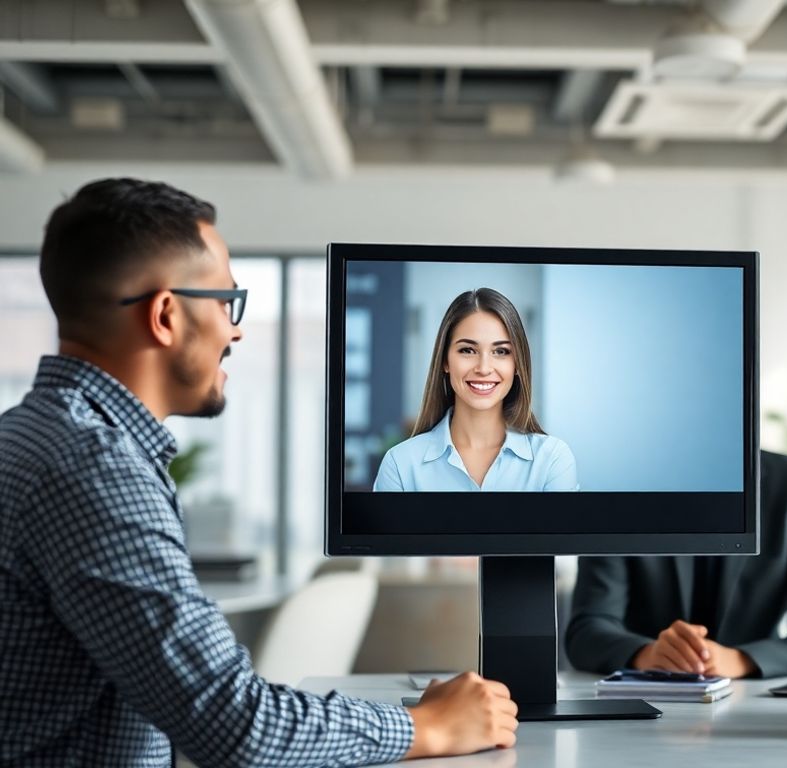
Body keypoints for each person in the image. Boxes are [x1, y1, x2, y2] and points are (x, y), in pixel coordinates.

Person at [0, 178, 517, 766]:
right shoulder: (93, 471)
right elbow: (234, 723)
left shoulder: (32, 437)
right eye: (226, 302)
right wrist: (424, 726)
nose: (235, 328)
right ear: (166, 315)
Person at [565, 451, 787, 678]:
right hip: (649, 702)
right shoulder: (617, 484)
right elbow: (587, 630)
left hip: (752, 708)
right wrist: (647, 654)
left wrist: (739, 659)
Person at [373, 286, 577, 491]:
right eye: (468, 350)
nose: (484, 368)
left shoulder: (552, 460)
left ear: (517, 364)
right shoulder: (400, 465)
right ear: (445, 361)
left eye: (501, 351)